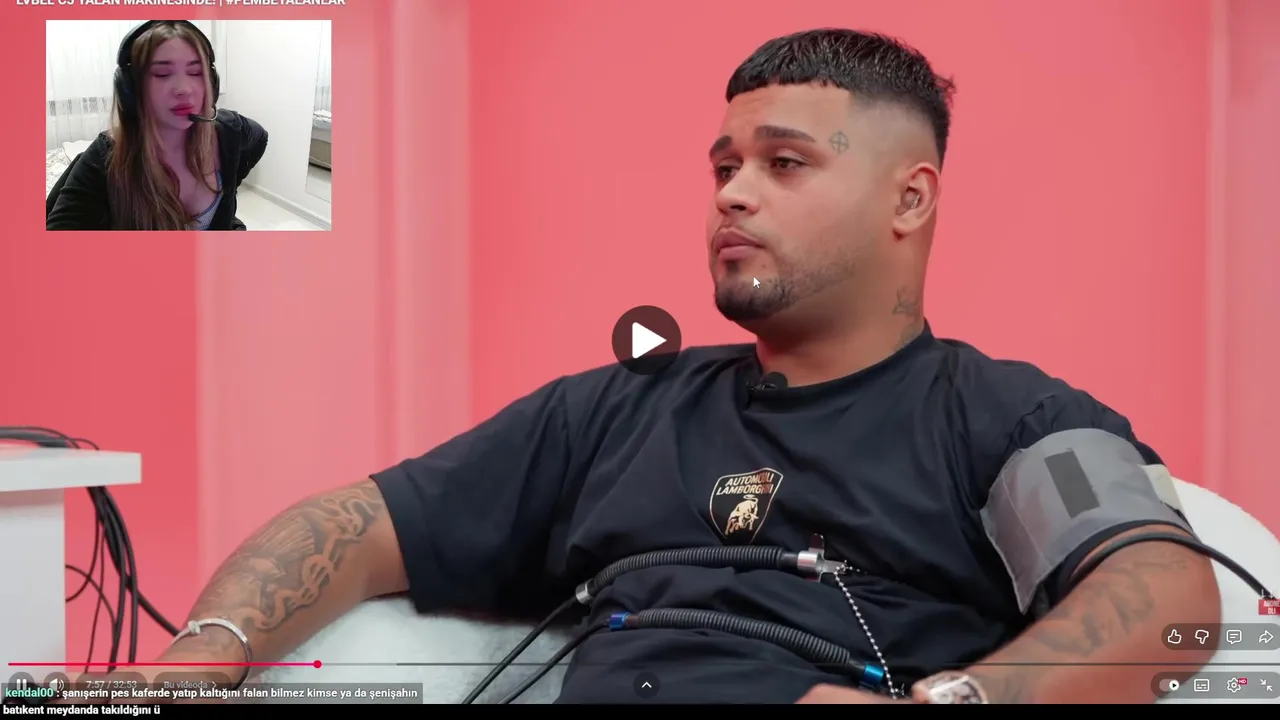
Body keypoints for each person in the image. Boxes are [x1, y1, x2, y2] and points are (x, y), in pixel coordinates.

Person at [89, 29, 1219, 704]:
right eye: (724, 166)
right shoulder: (617, 411)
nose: (733, 195)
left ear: (909, 199)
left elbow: (1163, 592)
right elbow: (354, 525)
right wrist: (203, 656)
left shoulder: (1008, 417)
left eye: (783, 164)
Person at [46, 21, 268, 231]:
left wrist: (228, 190)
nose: (184, 89)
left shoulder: (228, 130)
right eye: (162, 74)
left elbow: (260, 138)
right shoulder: (105, 160)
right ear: (132, 89)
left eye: (196, 72)